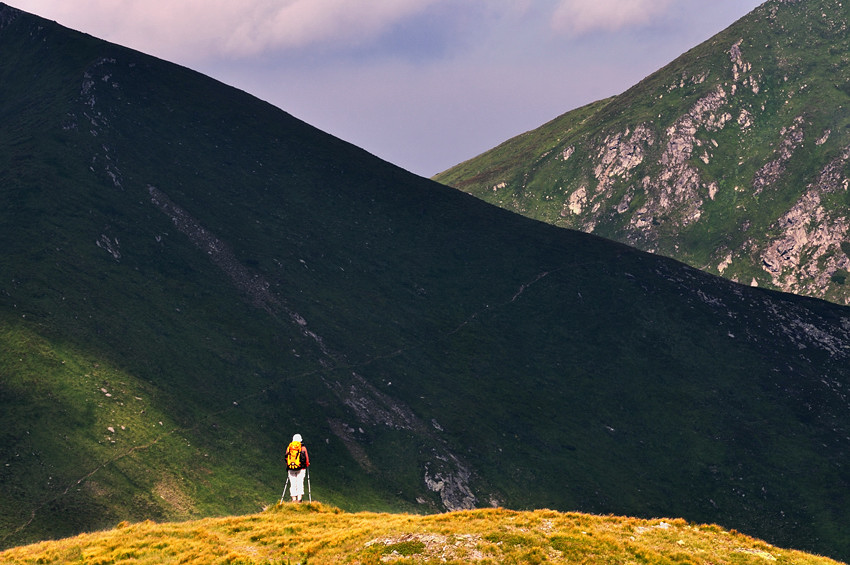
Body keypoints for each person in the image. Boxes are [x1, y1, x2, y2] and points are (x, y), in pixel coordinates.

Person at [286, 433, 310, 502]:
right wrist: (307, 464)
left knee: (293, 484)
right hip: (301, 468)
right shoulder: (303, 448)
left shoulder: (289, 448)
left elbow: (286, 458)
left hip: (291, 468)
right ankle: (299, 499)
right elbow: (306, 459)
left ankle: (294, 499)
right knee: (300, 483)